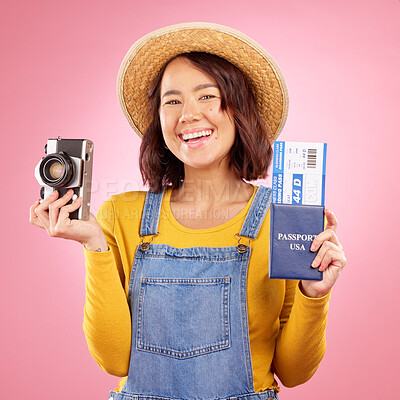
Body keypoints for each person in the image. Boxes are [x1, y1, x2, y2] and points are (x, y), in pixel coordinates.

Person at [30, 23, 347, 400]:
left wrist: (315, 294)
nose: (188, 115)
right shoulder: (120, 214)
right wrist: (94, 244)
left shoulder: (284, 220)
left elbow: (293, 373)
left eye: (207, 96)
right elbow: (115, 361)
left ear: (240, 108)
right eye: (172, 100)